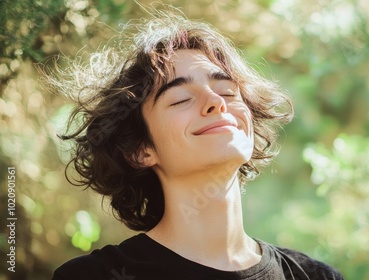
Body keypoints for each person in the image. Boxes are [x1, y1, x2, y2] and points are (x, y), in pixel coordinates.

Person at [49, 7, 344, 280]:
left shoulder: (316, 276)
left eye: (228, 92)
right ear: (140, 150)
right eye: (181, 99)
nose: (216, 102)